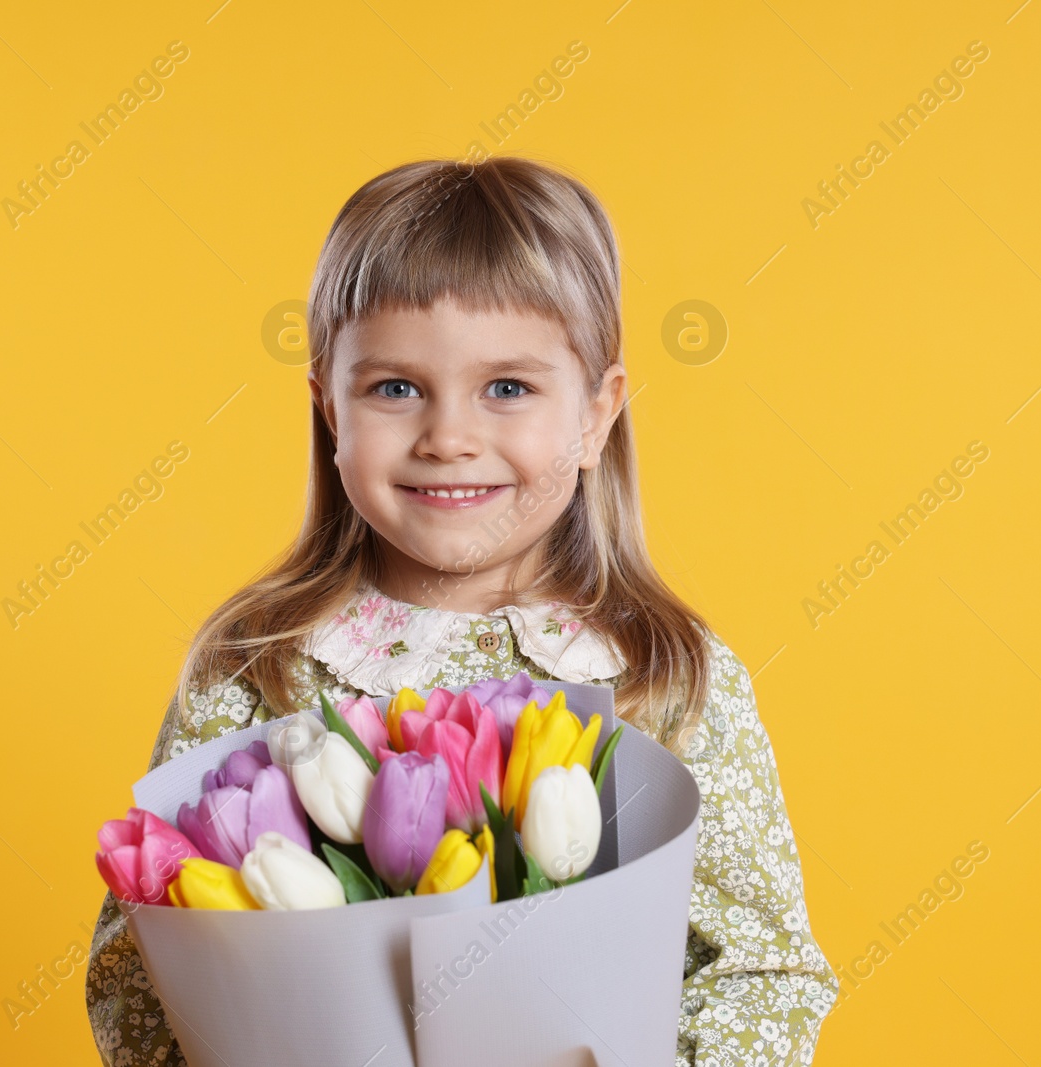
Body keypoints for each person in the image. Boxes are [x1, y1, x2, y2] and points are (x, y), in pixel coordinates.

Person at [86, 156, 837, 1066]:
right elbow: (136, 964)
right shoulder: (258, 665)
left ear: (598, 415)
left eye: (508, 388)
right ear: (329, 407)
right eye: (395, 388)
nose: (448, 437)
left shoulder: (664, 675)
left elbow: (762, 971)